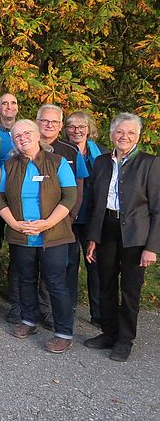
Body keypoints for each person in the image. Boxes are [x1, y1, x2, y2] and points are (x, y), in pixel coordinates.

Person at [0, 120, 77, 354]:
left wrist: (47, 223)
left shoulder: (57, 162)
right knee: (26, 279)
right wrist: (13, 223)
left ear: (37, 134)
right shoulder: (10, 165)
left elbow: (69, 197)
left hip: (53, 234)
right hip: (21, 234)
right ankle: (29, 320)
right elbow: (0, 198)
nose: (22, 138)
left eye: (27, 133)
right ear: (13, 141)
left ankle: (63, 332)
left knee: (55, 283)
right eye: (17, 135)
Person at [84, 113, 159, 362]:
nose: (124, 137)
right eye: (119, 132)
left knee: (130, 289)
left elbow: (157, 207)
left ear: (138, 136)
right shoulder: (102, 162)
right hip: (106, 228)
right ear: (112, 135)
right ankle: (108, 332)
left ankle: (125, 340)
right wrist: (93, 237)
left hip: (136, 235)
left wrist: (152, 247)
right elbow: (94, 202)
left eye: (130, 133)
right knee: (104, 283)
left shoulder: (149, 163)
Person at [35, 104, 89, 328]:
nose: (48, 125)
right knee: (26, 265)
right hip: (30, 218)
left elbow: (79, 186)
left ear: (60, 126)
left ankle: (48, 310)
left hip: (61, 219)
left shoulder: (70, 151)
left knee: (55, 267)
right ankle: (24, 306)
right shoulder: (27, 145)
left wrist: (71, 215)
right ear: (37, 122)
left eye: (54, 122)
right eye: (44, 121)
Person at [65, 110, 108, 327]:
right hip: (70, 217)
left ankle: (98, 313)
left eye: (81, 126)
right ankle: (68, 308)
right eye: (72, 126)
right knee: (69, 264)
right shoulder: (61, 151)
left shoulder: (102, 153)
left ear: (89, 129)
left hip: (94, 218)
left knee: (95, 265)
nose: (77, 130)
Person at [0, 93, 20, 324]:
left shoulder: (24, 131)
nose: (8, 107)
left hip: (18, 196)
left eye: (12, 103)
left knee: (17, 247)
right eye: (4, 103)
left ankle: (15, 294)